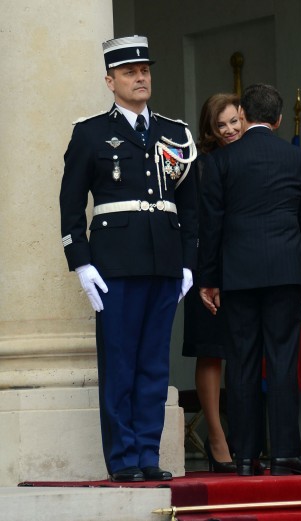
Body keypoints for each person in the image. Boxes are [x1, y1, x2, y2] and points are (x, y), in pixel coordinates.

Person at [59, 36, 197, 482]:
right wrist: (81, 263)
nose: (141, 77)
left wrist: (189, 263)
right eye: (130, 72)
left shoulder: (175, 132)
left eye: (145, 71)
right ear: (110, 80)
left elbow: (190, 206)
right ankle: (123, 460)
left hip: (164, 262)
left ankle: (147, 455)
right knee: (119, 362)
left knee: (154, 364)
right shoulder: (91, 132)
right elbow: (70, 203)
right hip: (114, 264)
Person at [197, 83, 301, 477]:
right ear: (280, 119)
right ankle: (285, 454)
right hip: (285, 271)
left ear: (244, 117)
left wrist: (209, 279)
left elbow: (212, 226)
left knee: (243, 363)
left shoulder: (221, 162)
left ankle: (246, 456)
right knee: (282, 361)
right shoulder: (299, 158)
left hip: (238, 275)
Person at [182, 93, 244, 473]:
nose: (230, 129)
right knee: (212, 351)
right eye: (221, 124)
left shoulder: (254, 157)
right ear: (210, 129)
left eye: (235, 120)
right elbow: (195, 224)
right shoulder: (201, 166)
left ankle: (245, 437)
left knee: (244, 354)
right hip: (207, 270)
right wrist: (205, 276)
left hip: (246, 269)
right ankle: (217, 437)